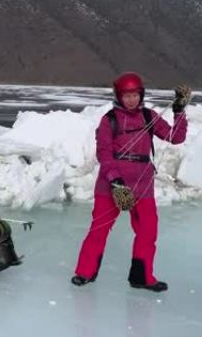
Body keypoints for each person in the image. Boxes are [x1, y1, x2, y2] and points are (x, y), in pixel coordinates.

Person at [71, 72, 190, 292]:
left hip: (142, 185)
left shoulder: (149, 116)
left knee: (148, 231)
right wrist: (115, 181)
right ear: (119, 96)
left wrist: (179, 110)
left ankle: (142, 277)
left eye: (135, 95)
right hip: (111, 185)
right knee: (99, 229)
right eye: (127, 95)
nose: (132, 99)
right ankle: (84, 272)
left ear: (141, 94)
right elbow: (104, 154)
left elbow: (176, 137)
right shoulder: (109, 120)